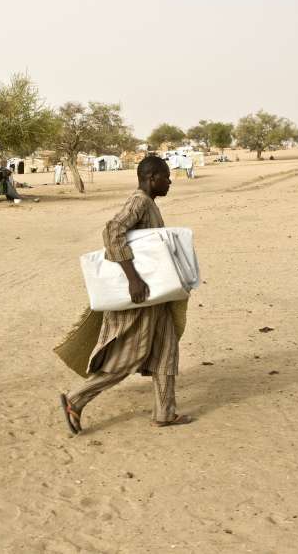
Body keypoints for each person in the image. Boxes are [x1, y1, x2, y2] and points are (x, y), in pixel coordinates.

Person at [60, 156, 192, 433]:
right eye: (166, 177)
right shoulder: (140, 202)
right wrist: (133, 279)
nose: (170, 182)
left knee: (166, 350)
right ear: (152, 177)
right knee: (128, 357)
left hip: (156, 297)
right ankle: (76, 399)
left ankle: (165, 412)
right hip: (141, 297)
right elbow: (112, 231)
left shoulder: (150, 204)